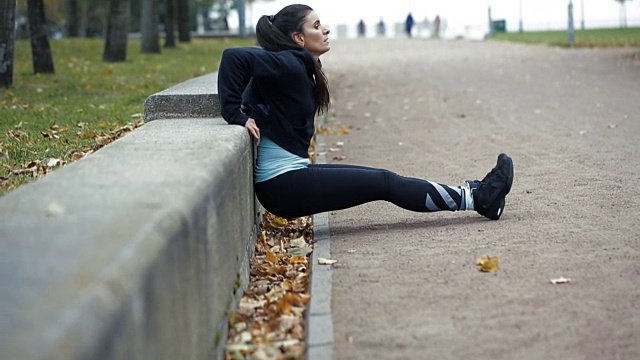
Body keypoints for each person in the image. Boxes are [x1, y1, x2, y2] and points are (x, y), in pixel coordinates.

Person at [217, 4, 514, 220]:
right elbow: (233, 57)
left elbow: (255, 81)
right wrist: (235, 113)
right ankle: (476, 197)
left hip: (288, 179)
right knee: (384, 182)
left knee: (384, 179)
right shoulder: (292, 64)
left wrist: (248, 107)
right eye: (317, 25)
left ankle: (478, 196)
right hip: (282, 186)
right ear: (299, 38)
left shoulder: (294, 66)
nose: (326, 29)